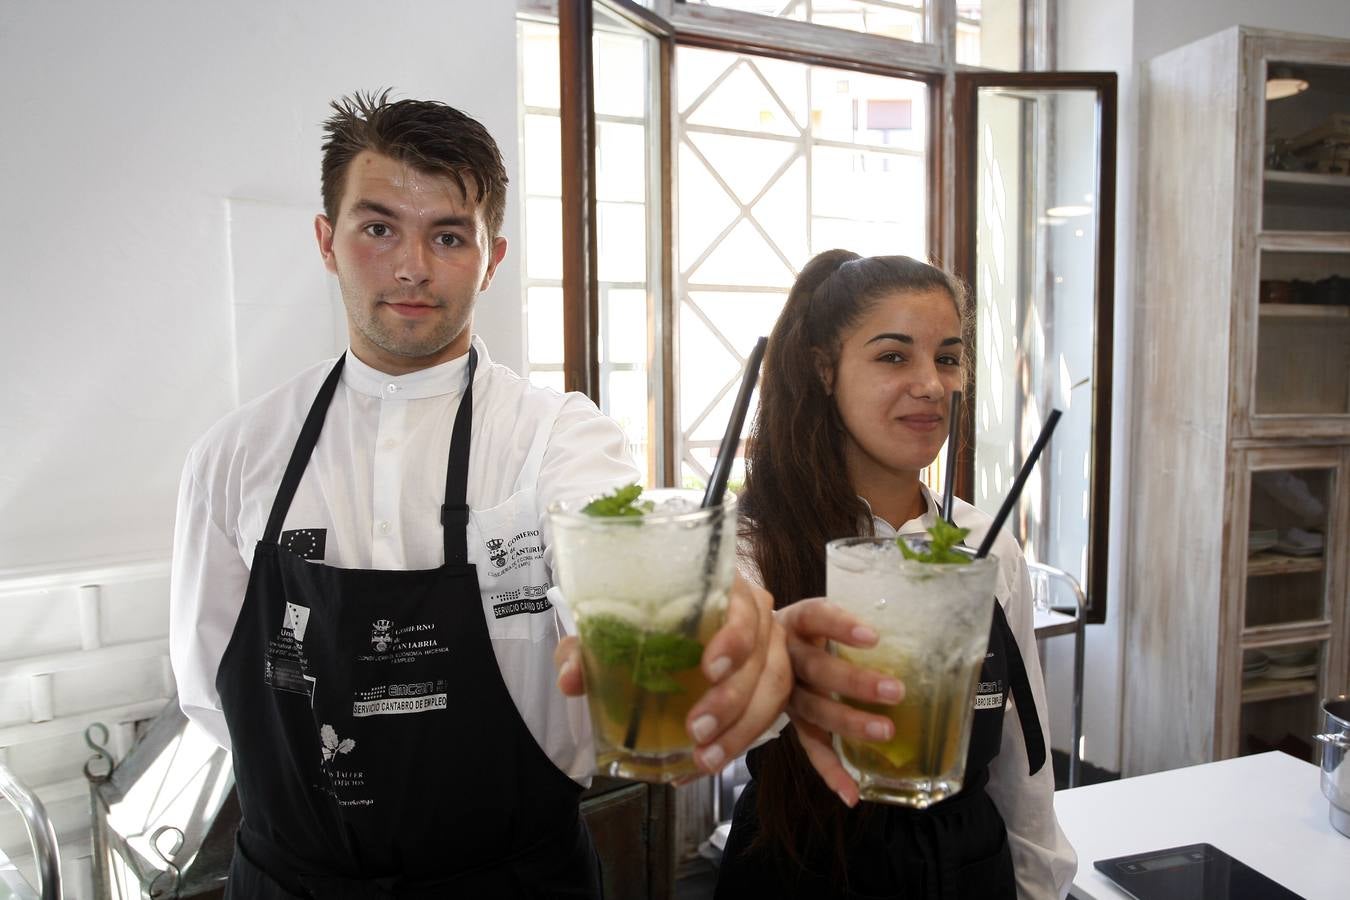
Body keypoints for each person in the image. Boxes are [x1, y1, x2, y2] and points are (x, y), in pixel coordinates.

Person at [169, 90, 789, 899]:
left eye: (449, 235)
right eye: (378, 227)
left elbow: (626, 551)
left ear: (492, 256)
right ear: (328, 241)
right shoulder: (236, 456)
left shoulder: (555, 435)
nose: (412, 267)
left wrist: (721, 603)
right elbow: (208, 688)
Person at [710, 251, 1077, 899]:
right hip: (804, 867)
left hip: (967, 865)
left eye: (946, 357)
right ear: (825, 369)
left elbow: (1024, 766)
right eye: (893, 357)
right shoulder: (750, 544)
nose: (931, 385)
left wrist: (1040, 887)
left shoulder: (987, 546)